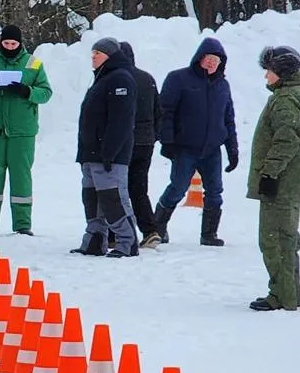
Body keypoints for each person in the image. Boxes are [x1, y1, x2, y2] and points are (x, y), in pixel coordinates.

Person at [151, 37, 241, 246]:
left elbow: (228, 119)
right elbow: (166, 111)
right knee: (178, 188)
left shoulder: (223, 86)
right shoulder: (178, 78)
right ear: (200, 58)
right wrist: (168, 142)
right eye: (209, 58)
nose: (212, 63)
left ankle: (209, 234)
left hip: (212, 149)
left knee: (215, 191)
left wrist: (233, 150)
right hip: (185, 147)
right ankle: (158, 226)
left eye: (217, 60)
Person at [247, 46, 300, 311]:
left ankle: (282, 295)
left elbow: (287, 139)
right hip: (291, 180)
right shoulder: (297, 95)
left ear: (283, 73)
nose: (266, 76)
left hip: (282, 181)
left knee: (274, 238)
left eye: (270, 71)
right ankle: (288, 292)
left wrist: (270, 173)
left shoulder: (286, 99)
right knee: (285, 236)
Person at [0, 24, 53, 235]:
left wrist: (26, 91)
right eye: (6, 43)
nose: (10, 46)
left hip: (22, 132)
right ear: (0, 42)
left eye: (14, 43)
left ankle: (23, 226)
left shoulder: (34, 64)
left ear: (20, 43)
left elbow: (46, 93)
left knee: (21, 176)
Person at [72, 37, 139, 258]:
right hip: (91, 153)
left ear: (109, 56)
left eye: (97, 54)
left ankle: (127, 242)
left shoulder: (120, 79)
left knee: (112, 198)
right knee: (91, 198)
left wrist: (110, 151)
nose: (93, 58)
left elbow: (121, 121)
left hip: (108, 155)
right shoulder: (103, 78)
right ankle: (94, 240)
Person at [119, 42, 161, 243]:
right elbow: (158, 112)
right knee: (139, 188)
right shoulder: (147, 78)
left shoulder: (117, 79)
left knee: (117, 188)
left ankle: (118, 233)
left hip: (124, 141)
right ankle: (150, 229)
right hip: (146, 141)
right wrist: (154, 135)